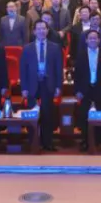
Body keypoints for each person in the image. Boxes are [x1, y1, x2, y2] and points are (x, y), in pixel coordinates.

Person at [19, 20, 63, 151]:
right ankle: (33, 141)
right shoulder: (27, 48)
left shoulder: (55, 47)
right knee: (32, 115)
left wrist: (58, 86)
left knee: (48, 115)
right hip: (32, 85)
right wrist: (24, 87)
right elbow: (23, 70)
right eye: (38, 29)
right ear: (34, 31)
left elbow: (58, 69)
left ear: (47, 30)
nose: (41, 31)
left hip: (48, 84)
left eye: (43, 28)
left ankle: (47, 142)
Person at [74, 28, 101, 151]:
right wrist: (77, 91)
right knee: (84, 115)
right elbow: (77, 75)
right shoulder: (80, 55)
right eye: (90, 38)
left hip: (100, 88)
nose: (92, 40)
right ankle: (85, 140)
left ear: (99, 40)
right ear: (86, 40)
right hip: (84, 89)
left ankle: (99, 139)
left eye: (95, 38)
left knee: (99, 114)